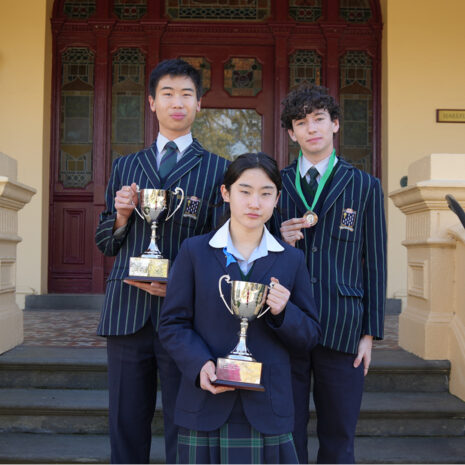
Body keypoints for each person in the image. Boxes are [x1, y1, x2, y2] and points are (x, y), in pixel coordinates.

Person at [95, 58, 229, 464]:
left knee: (183, 421)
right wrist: (121, 215)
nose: (177, 102)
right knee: (125, 421)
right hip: (128, 312)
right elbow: (105, 243)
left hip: (185, 317)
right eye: (167, 94)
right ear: (152, 102)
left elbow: (220, 248)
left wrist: (181, 283)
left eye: (186, 94)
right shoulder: (125, 166)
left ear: (199, 103)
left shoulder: (218, 169)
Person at [159, 153, 321, 464]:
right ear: (226, 193)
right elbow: (172, 323)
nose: (254, 203)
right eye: (245, 191)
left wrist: (284, 312)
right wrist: (200, 364)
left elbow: (310, 336)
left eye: (265, 193)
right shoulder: (195, 251)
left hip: (268, 406)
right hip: (206, 401)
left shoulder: (291, 259)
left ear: (276, 199)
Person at [270, 84, 387, 464]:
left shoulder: (365, 185)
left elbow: (375, 262)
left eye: (319, 119)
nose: (312, 128)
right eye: (301, 122)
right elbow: (255, 253)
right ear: (292, 133)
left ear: (335, 124)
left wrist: (369, 333)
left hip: (344, 327)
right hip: (288, 323)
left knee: (339, 436)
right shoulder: (276, 185)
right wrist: (278, 239)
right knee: (287, 433)